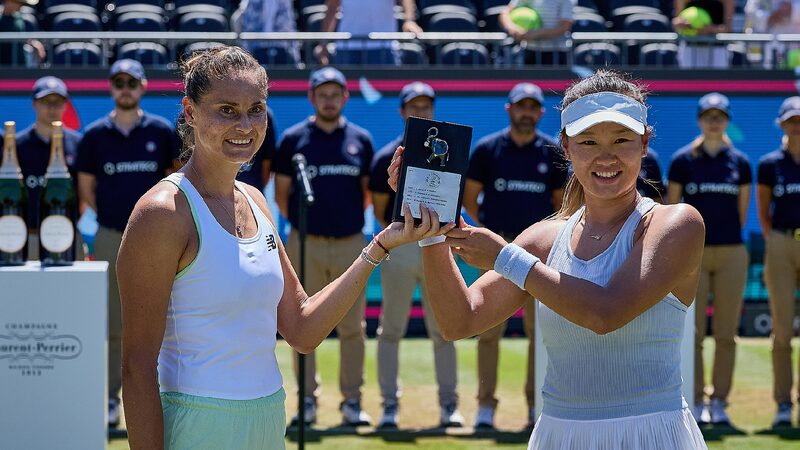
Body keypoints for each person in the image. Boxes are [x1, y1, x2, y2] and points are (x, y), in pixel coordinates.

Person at [117, 45, 435, 450]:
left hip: (268, 419)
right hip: (197, 425)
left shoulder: (255, 200)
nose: (245, 124)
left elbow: (303, 329)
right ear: (190, 111)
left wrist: (380, 245)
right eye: (226, 110)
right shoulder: (161, 213)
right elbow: (136, 368)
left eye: (256, 109)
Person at [387, 69, 708, 448]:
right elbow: (461, 321)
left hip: (653, 436)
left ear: (643, 144)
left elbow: (605, 315)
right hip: (559, 435)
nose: (606, 156)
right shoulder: (543, 239)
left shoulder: (677, 223)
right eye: (588, 141)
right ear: (567, 149)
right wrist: (433, 231)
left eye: (621, 139)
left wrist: (506, 258)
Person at [76, 59, 180, 428]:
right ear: (111, 87)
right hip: (109, 237)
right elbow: (86, 188)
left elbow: (174, 182)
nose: (125, 88)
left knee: (168, 320)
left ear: (143, 86)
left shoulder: (162, 130)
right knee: (115, 325)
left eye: (131, 82)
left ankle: (169, 396)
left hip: (159, 241)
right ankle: (110, 400)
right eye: (119, 82)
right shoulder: (93, 136)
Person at [273, 66, 375, 426]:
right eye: (322, 93)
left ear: (345, 98)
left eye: (336, 94)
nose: (329, 100)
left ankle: (351, 402)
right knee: (303, 324)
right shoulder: (294, 139)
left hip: (351, 244)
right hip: (305, 244)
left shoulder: (360, 139)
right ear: (311, 97)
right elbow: (283, 195)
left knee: (352, 328)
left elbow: (365, 194)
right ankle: (307, 402)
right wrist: (307, 227)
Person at [462, 82, 567, 430]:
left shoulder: (552, 152)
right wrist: (494, 237)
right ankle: (485, 408)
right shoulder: (488, 150)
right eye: (520, 106)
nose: (526, 112)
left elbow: (560, 206)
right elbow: (470, 199)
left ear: (540, 112)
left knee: (542, 335)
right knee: (488, 330)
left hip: (541, 254)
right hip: (497, 251)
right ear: (509, 109)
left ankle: (536, 408)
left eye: (532, 107)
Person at [368, 82, 464, 429]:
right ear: (403, 110)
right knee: (391, 329)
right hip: (403, 251)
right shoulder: (385, 157)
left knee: (445, 330)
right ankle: (389, 405)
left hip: (438, 246)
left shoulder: (449, 151)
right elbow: (382, 212)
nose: (422, 112)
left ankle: (449, 405)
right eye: (415, 106)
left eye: (427, 106)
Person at [667, 92, 752, 426]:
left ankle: (720, 402)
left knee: (727, 334)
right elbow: (672, 211)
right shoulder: (682, 160)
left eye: (720, 116)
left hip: (731, 251)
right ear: (700, 120)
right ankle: (696, 399)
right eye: (708, 115)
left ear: (727, 120)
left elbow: (742, 214)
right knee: (694, 332)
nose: (714, 121)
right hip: (692, 256)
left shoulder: (741, 162)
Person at [0, 76, 81, 260]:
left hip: (66, 235)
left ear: (66, 105)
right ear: (34, 104)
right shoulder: (16, 146)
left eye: (58, 101)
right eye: (46, 101)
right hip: (25, 238)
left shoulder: (78, 144)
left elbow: (84, 191)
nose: (52, 108)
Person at [756, 96, 800, 427]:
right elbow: (764, 212)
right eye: (792, 121)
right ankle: (784, 403)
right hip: (783, 242)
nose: (797, 127)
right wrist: (777, 240)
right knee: (782, 329)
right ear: (782, 125)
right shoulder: (770, 164)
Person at [318, 0, 422, 65]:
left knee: (385, 97)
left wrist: (409, 20)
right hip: (347, 48)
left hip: (384, 47)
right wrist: (323, 43)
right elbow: (332, 6)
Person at [500, 0, 573, 66]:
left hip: (557, 54)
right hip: (529, 51)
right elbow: (505, 12)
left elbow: (565, 27)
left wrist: (535, 34)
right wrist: (513, 28)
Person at [232, 0, 300, 64]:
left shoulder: (284, 2)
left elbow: (289, 29)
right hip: (255, 51)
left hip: (281, 52)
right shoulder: (250, 2)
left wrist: (296, 58)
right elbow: (238, 21)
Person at [672, 0, 734, 68]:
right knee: (689, 78)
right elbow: (676, 21)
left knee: (717, 78)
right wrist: (681, 24)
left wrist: (709, 29)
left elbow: (728, 28)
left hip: (717, 49)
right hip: (690, 48)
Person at [0, 0, 45, 66]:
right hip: (4, 67)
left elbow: (19, 36)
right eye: (18, 3)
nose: (20, 6)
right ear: (8, 1)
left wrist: (34, 43)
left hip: (20, 64)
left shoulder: (18, 17)